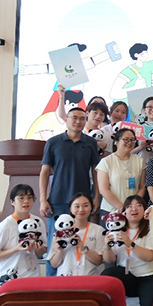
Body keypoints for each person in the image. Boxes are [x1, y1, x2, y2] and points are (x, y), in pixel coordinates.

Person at [39, 106, 101, 276]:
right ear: (66, 119)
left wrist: (96, 196)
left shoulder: (90, 142)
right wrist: (43, 199)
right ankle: (52, 282)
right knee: (56, 244)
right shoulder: (53, 142)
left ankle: (80, 278)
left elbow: (95, 171)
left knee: (81, 240)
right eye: (74, 117)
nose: (78, 121)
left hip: (83, 203)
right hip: (58, 200)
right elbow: (44, 172)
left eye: (82, 118)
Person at [101, 195, 153, 306]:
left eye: (139, 205)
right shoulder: (116, 230)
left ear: (144, 210)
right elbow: (110, 260)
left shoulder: (151, 229)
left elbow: (149, 256)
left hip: (148, 275)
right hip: (127, 276)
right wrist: (107, 247)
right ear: (124, 212)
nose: (134, 209)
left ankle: (147, 296)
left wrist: (130, 244)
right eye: (129, 206)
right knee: (107, 274)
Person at [0, 184, 46, 291]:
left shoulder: (37, 222)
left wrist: (38, 249)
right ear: (12, 202)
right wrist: (16, 249)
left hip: (32, 277)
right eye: (21, 198)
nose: (26, 201)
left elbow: (42, 251)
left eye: (30, 197)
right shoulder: (5, 226)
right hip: (9, 279)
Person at [48, 192, 106, 276]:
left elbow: (98, 261)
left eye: (85, 205)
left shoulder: (98, 230)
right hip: (65, 278)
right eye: (77, 206)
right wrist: (60, 250)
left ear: (91, 208)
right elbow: (54, 264)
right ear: (70, 209)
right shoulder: (60, 232)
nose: (81, 210)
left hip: (89, 278)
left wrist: (84, 249)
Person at [96, 127, 147, 217]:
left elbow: (142, 187)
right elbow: (103, 189)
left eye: (132, 140)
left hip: (133, 211)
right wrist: (121, 207)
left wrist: (132, 206)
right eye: (126, 139)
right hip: (111, 210)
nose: (129, 142)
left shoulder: (140, 161)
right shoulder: (106, 161)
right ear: (116, 142)